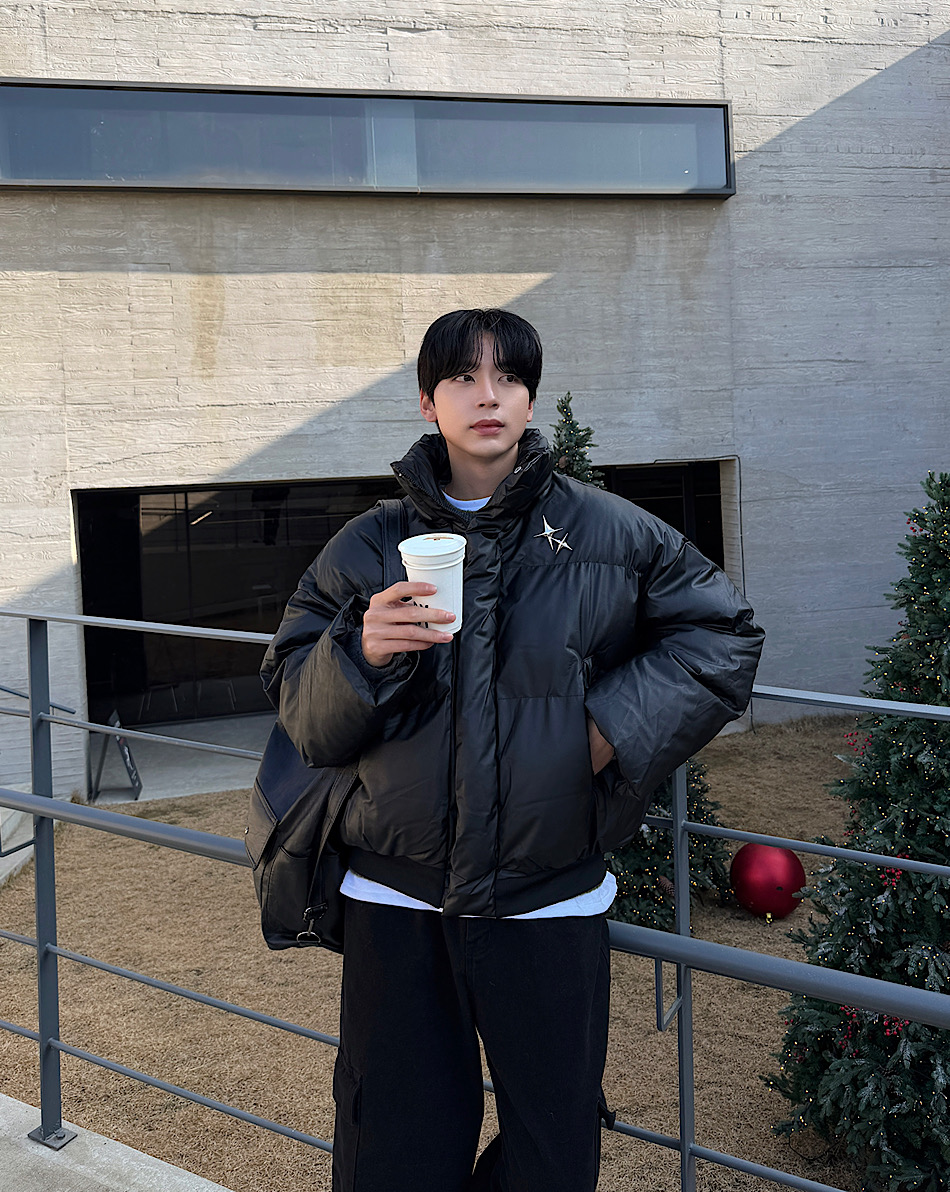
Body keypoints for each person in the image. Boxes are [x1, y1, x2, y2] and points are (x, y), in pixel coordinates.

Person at [261, 307, 765, 1192]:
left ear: (532, 400)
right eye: (463, 377)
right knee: (391, 1154)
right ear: (429, 403)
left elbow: (723, 634)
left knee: (553, 1155)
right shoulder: (370, 544)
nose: (487, 395)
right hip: (395, 900)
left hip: (549, 900)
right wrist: (359, 653)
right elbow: (303, 711)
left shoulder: (611, 532)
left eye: (509, 377)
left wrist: (605, 733)